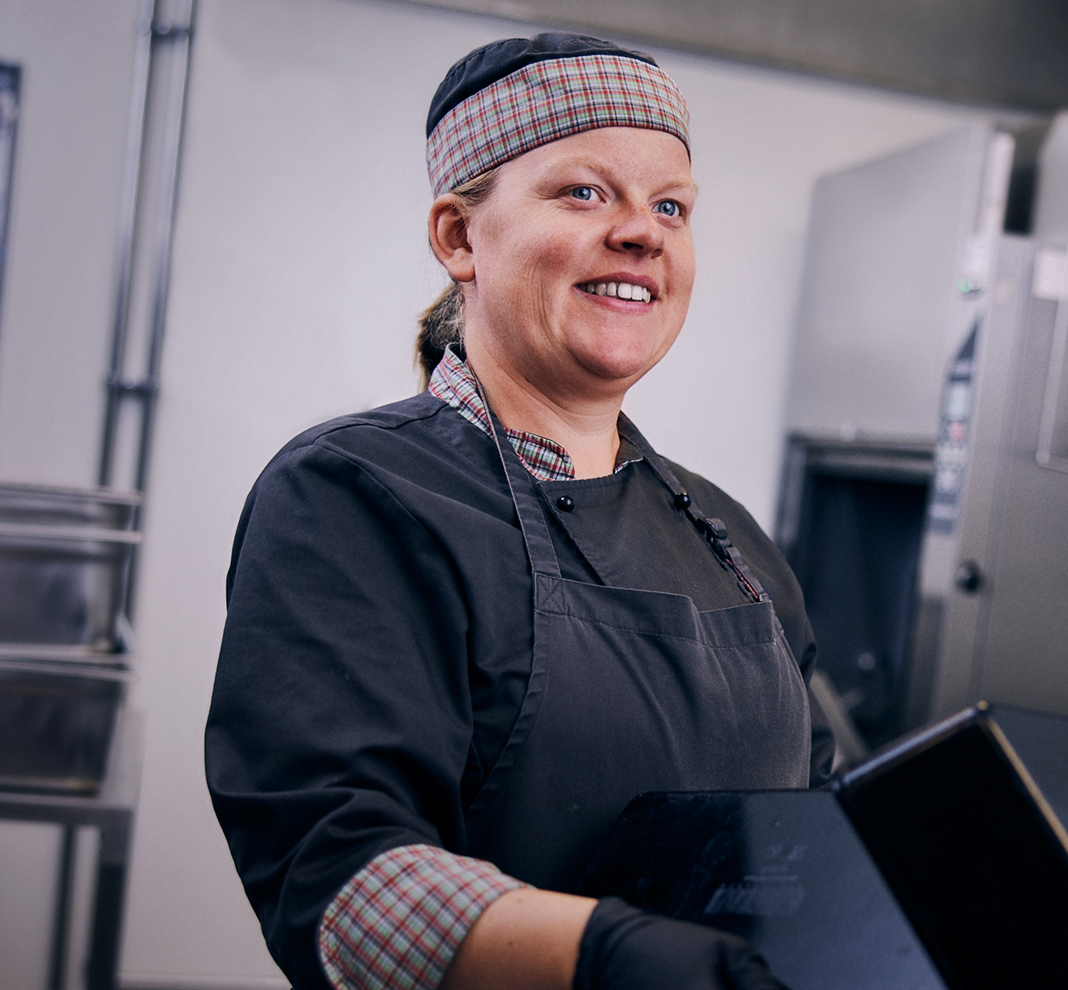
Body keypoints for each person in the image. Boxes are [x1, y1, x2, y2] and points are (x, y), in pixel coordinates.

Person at [206, 33, 831, 990]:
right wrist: (605, 957)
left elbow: (820, 830)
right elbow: (337, 877)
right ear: (459, 236)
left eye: (671, 206)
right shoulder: (351, 495)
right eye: (585, 192)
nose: (643, 233)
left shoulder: (733, 542)